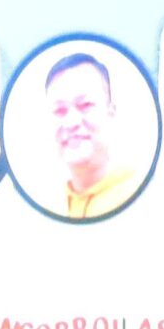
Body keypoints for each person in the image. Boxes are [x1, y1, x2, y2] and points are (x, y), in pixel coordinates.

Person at [44, 52, 137, 220]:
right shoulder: (44, 206)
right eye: (60, 110)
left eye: (85, 105)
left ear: (111, 113)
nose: (71, 122)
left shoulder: (138, 194)